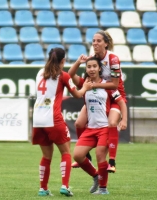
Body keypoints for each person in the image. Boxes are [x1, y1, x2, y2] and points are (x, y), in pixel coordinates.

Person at [32, 48, 92, 197]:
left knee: (46, 156)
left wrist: (78, 62)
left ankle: (43, 188)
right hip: (53, 118)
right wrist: (86, 87)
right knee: (65, 152)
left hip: (38, 120)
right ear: (63, 61)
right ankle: (65, 185)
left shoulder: (40, 72)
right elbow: (78, 94)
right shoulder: (62, 76)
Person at [68, 30, 127, 173]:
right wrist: (80, 62)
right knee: (79, 123)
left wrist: (93, 86)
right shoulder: (93, 60)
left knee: (112, 123)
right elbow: (72, 77)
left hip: (114, 96)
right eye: (93, 40)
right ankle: (86, 156)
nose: (95, 43)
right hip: (99, 96)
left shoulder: (113, 59)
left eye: (99, 40)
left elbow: (114, 84)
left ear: (106, 44)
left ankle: (112, 162)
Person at [72, 56, 127, 194]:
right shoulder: (84, 84)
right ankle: (96, 176)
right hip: (90, 129)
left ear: (99, 69)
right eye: (89, 67)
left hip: (104, 129)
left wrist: (124, 119)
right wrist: (78, 62)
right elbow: (70, 75)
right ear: (86, 69)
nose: (91, 69)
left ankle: (103, 188)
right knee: (78, 156)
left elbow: (121, 102)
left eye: (94, 67)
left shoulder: (107, 86)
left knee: (100, 156)